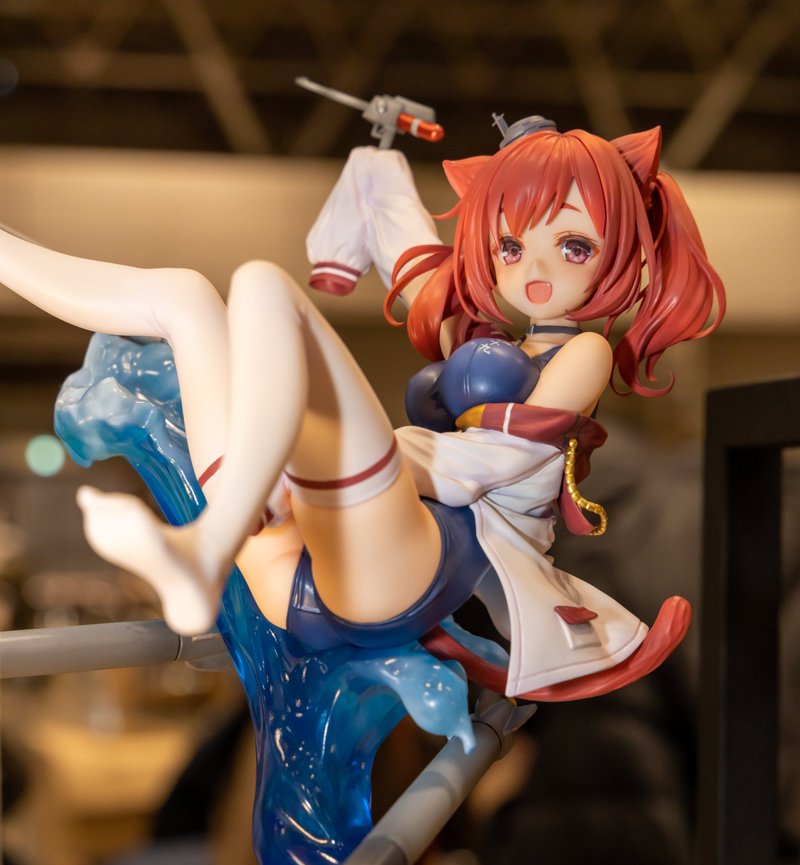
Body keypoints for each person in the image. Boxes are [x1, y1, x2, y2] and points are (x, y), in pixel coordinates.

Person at [0, 116, 724, 701]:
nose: (534, 271)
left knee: (263, 286)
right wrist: (377, 176)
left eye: (573, 246)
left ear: (622, 255)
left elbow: (494, 462)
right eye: (509, 245)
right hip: (291, 558)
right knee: (183, 296)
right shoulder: (486, 345)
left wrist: (387, 445)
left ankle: (205, 547)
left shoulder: (582, 354)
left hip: (419, 563)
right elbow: (420, 269)